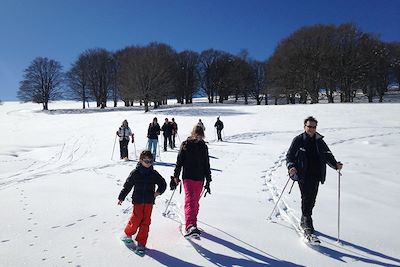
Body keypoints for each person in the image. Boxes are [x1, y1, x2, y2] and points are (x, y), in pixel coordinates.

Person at [286, 116, 343, 235]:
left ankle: (305, 217)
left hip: (317, 173)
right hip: (302, 173)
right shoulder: (298, 140)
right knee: (306, 197)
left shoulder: (319, 141)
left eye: (314, 127)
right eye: (309, 126)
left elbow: (328, 155)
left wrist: (335, 165)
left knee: (312, 198)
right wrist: (291, 166)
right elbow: (290, 156)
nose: (311, 129)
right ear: (304, 127)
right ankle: (307, 220)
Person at [118, 150, 167, 254]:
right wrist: (122, 196)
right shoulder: (135, 173)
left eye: (150, 161)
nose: (148, 163)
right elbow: (128, 186)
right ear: (140, 160)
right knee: (136, 218)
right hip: (138, 200)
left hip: (149, 201)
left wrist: (158, 192)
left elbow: (163, 183)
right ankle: (128, 233)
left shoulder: (154, 173)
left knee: (146, 221)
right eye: (146, 161)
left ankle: (141, 243)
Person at [171, 125, 212, 238]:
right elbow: (179, 162)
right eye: (197, 136)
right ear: (193, 133)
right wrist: (176, 175)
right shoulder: (185, 145)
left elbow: (206, 164)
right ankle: (190, 226)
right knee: (190, 200)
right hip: (188, 177)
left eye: (200, 136)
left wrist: (208, 179)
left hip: (200, 178)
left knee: (195, 202)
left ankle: (194, 224)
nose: (199, 138)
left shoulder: (203, 147)